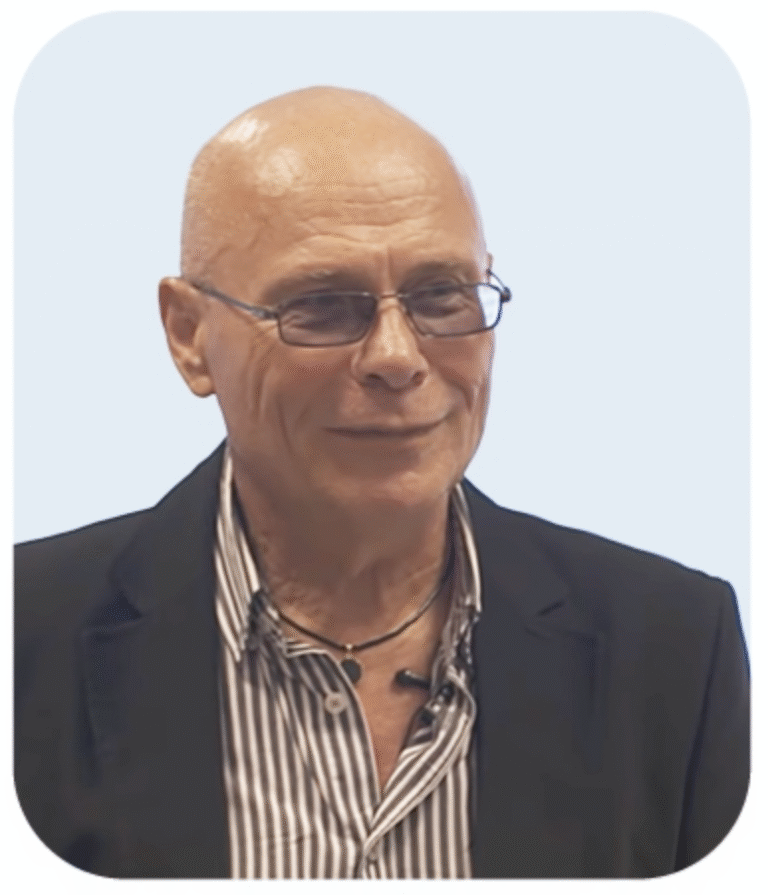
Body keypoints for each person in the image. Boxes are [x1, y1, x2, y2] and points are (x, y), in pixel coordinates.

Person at [14, 86, 749, 879]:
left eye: (441, 296)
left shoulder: (672, 650)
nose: (397, 356)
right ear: (189, 335)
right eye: (323, 306)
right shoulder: (24, 639)